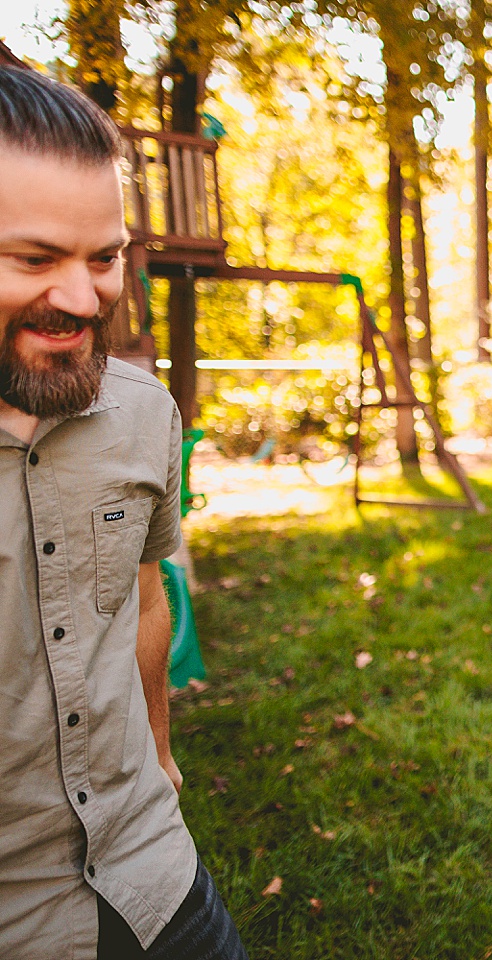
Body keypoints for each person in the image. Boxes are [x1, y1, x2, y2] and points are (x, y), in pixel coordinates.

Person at [0, 67, 248, 959]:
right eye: (33, 260)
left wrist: (160, 750)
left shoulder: (146, 414)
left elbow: (147, 600)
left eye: (102, 258)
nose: (81, 298)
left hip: (154, 876)